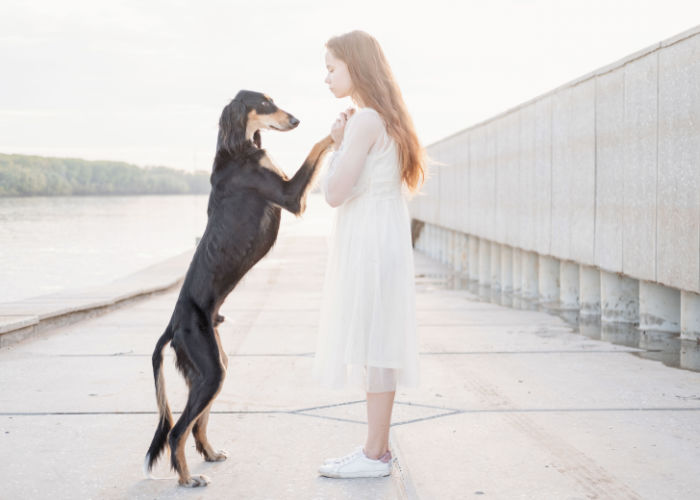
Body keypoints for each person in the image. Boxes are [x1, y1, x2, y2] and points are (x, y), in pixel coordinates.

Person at [313, 30, 426, 479]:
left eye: (331, 68)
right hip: (382, 239)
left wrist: (336, 145)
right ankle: (372, 449)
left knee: (377, 347)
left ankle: (375, 454)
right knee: (378, 345)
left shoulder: (364, 122)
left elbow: (336, 193)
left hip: (371, 245)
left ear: (354, 67)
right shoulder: (386, 118)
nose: (326, 78)